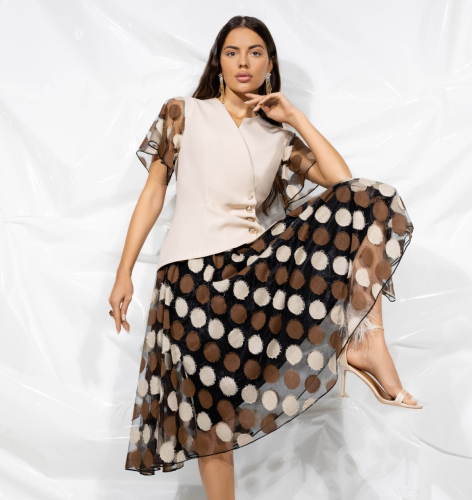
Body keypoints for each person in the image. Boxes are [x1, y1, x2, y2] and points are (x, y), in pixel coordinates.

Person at [109, 15, 421, 499]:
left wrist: (294, 117)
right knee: (211, 418)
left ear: (269, 63)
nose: (243, 62)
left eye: (255, 52)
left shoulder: (277, 135)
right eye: (232, 52)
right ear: (218, 62)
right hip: (189, 281)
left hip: (253, 275)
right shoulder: (182, 112)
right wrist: (124, 271)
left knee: (370, 201)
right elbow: (153, 193)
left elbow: (343, 184)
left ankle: (366, 342)